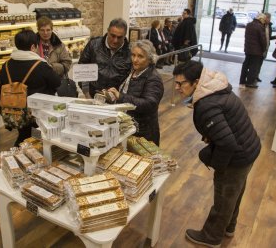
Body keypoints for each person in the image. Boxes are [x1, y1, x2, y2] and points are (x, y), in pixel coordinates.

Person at [173, 60, 261, 248]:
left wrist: (218, 168)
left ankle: (211, 237)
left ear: (196, 82)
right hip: (248, 147)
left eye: (181, 83)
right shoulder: (214, 88)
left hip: (237, 155)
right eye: (176, 82)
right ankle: (228, 227)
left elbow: (227, 143)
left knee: (224, 196)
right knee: (234, 194)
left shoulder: (207, 104)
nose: (177, 87)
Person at [0, 29, 61, 146]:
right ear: (33, 47)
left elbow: (2, 86)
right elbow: (57, 82)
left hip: (14, 110)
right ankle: (30, 155)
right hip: (34, 112)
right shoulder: (40, 65)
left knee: (24, 134)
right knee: (36, 137)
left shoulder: (6, 65)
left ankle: (21, 153)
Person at [106, 40, 164, 145]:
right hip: (130, 127)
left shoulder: (153, 78)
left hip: (144, 133)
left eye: (140, 56)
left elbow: (149, 104)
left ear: (150, 59)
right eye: (133, 55)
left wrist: (121, 97)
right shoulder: (134, 71)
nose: (135, 60)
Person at [78, 18, 132, 98]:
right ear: (108, 31)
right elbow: (82, 69)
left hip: (117, 100)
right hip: (92, 96)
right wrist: (87, 94)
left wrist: (121, 98)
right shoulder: (93, 45)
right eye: (112, 36)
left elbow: (131, 80)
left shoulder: (130, 52)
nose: (115, 40)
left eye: (119, 37)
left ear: (125, 36)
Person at [239, 13, 266, 88]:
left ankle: (242, 80)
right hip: (257, 51)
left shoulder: (249, 25)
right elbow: (263, 40)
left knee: (245, 65)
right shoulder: (260, 27)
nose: (264, 22)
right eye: (264, 20)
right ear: (261, 19)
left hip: (248, 49)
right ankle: (250, 82)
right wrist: (264, 49)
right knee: (253, 67)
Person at [256, 13, 276, 82]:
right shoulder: (261, 25)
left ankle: (257, 76)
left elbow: (268, 37)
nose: (269, 20)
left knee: (260, 62)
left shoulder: (269, 26)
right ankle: (254, 76)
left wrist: (275, 37)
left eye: (269, 18)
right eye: (268, 18)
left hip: (266, 46)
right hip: (260, 47)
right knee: (257, 62)